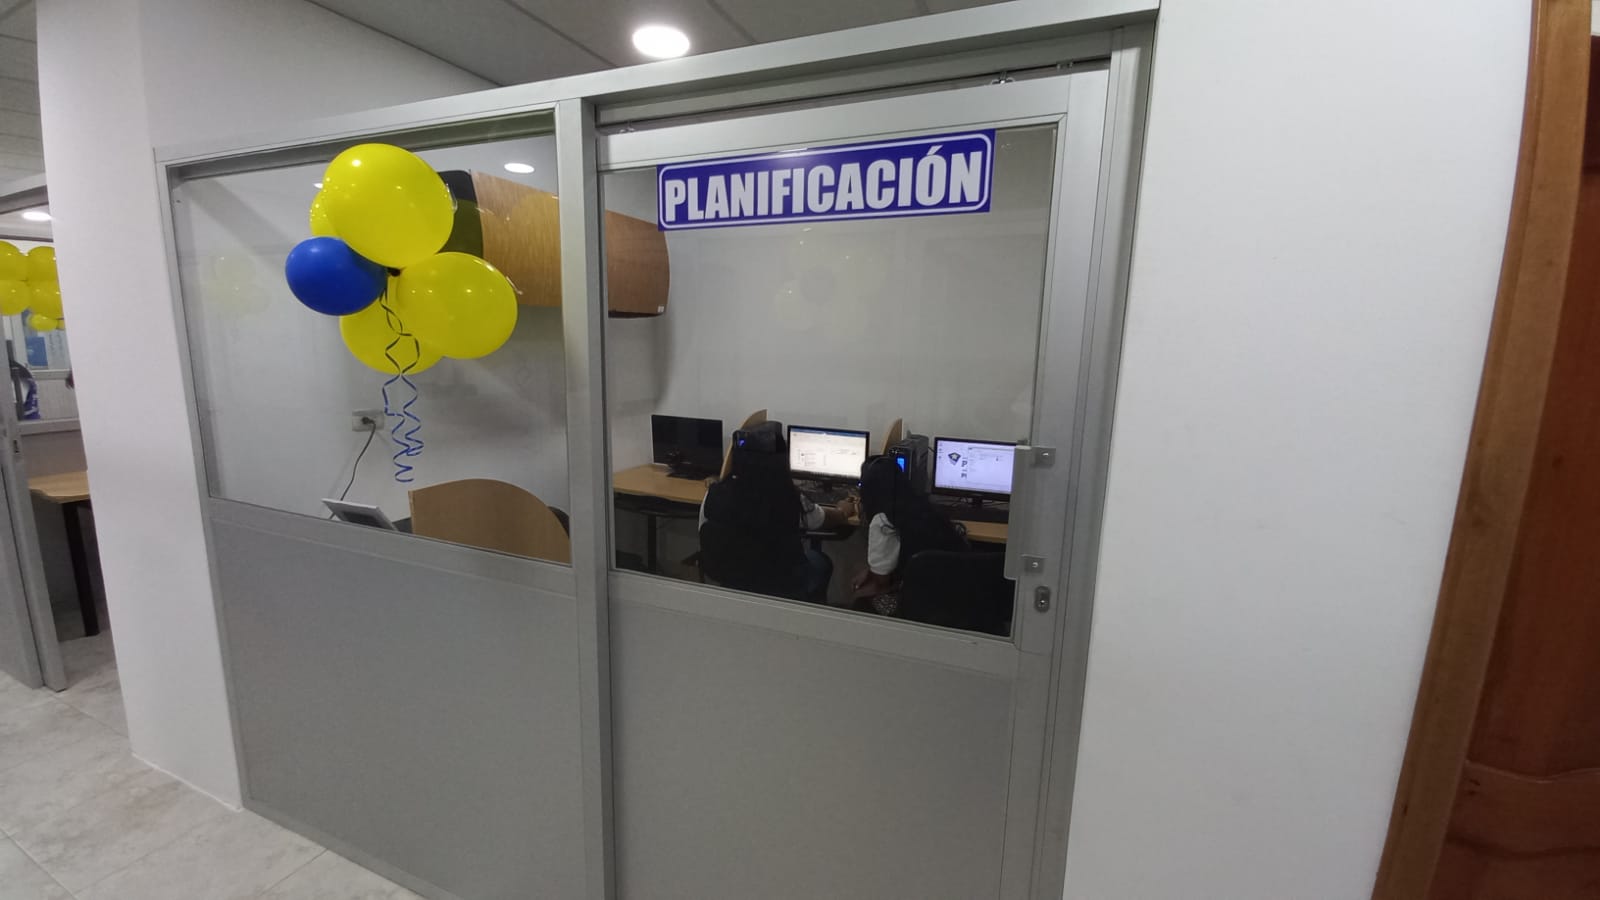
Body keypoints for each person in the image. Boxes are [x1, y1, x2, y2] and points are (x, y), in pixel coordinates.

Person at [698, 420, 854, 602]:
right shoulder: (789, 498)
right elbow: (822, 519)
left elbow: (704, 533)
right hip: (781, 582)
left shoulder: (713, 494)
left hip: (733, 579)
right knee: (821, 561)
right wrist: (843, 511)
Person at [851, 454, 969, 603]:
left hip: (918, 599)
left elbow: (882, 580)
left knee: (859, 598)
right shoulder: (926, 507)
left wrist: (872, 575)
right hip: (956, 594)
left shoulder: (882, 521)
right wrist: (871, 570)